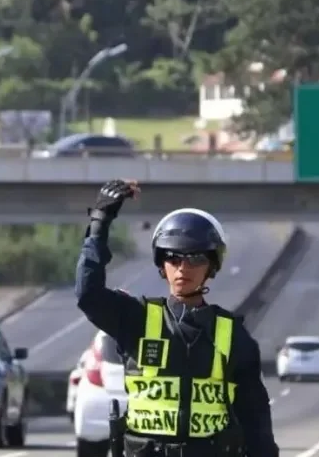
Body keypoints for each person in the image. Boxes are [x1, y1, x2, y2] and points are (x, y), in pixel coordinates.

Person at [76, 179, 279, 457]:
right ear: (162, 264)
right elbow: (88, 294)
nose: (183, 268)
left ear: (212, 265)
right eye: (173, 258)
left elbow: (256, 422)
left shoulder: (233, 336)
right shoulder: (136, 319)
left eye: (195, 259)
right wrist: (100, 222)